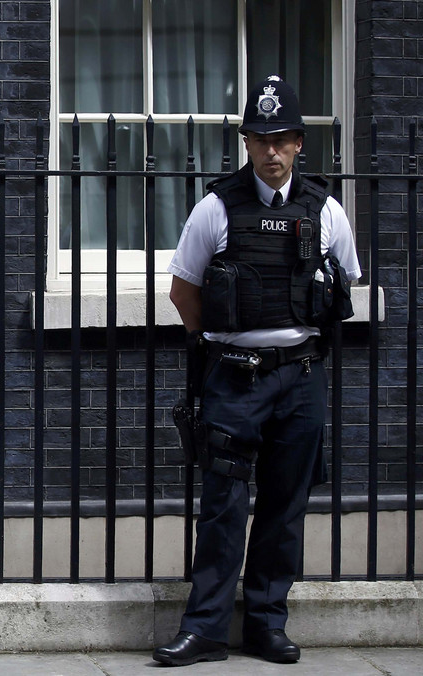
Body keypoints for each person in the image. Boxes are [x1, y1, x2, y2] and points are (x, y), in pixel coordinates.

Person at [153, 76, 360, 667]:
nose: (273, 151)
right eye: (261, 139)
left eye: (284, 139)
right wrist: (216, 347)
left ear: (300, 143)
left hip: (298, 376)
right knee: (222, 505)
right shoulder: (216, 208)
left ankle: (268, 625)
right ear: (246, 142)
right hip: (235, 378)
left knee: (283, 506)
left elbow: (344, 284)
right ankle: (207, 629)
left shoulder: (326, 212)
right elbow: (182, 289)